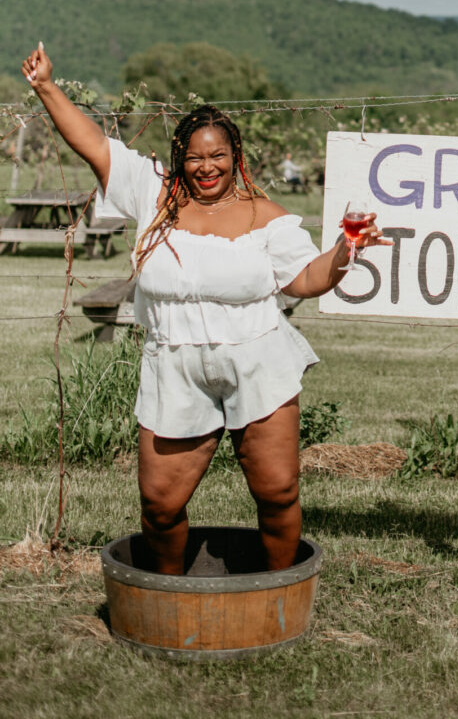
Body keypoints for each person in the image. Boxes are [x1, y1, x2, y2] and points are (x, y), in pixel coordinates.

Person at [22, 43, 390, 575]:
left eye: (217, 155)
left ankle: (276, 595)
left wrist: (344, 251)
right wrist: (46, 86)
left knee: (279, 493)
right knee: (160, 504)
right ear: (179, 158)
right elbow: (94, 146)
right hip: (175, 362)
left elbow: (307, 279)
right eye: (194, 156)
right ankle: (165, 595)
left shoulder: (266, 215)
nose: (206, 166)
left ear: (235, 157)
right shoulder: (155, 197)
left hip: (258, 359)